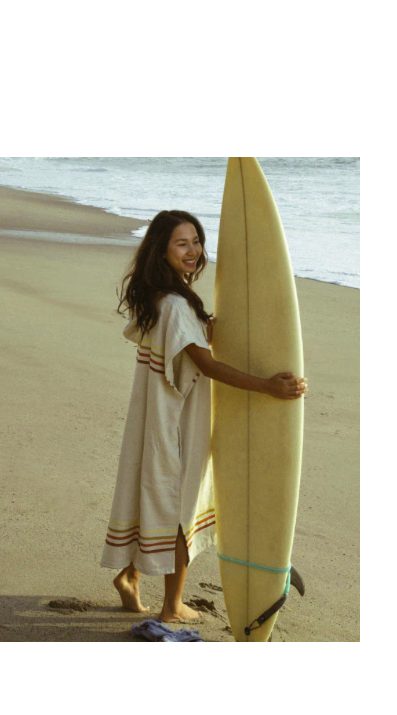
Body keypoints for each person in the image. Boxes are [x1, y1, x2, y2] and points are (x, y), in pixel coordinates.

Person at [100, 210, 308, 623]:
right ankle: (172, 606)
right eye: (182, 243)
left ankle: (129, 576)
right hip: (178, 421)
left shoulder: (159, 296)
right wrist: (267, 386)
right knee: (182, 507)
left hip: (158, 413)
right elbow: (206, 365)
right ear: (161, 250)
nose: (193, 250)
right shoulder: (176, 304)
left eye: (196, 240)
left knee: (156, 495)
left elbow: (182, 342)